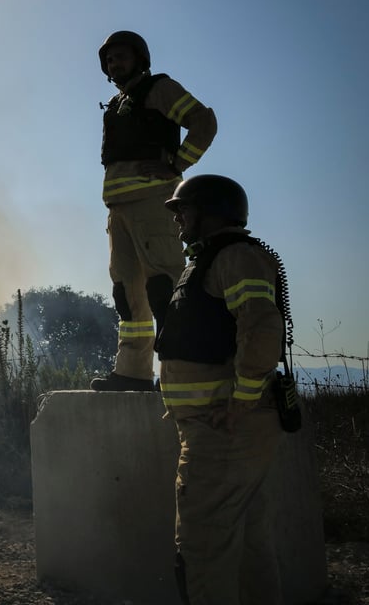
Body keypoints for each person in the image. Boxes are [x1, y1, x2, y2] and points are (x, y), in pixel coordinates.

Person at [155, 175, 288, 604]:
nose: (179, 221)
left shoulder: (233, 258)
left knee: (203, 550)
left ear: (211, 212)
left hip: (224, 432)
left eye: (185, 211)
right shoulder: (215, 260)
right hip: (225, 430)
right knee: (248, 547)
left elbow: (263, 327)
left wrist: (240, 403)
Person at [93, 30, 218, 392]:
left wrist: (177, 164)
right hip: (118, 211)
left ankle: (178, 372)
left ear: (140, 58)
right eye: (109, 59)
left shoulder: (159, 89)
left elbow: (203, 122)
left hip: (153, 206)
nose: (115, 63)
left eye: (121, 56)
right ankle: (133, 373)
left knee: (164, 289)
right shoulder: (118, 104)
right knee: (128, 297)